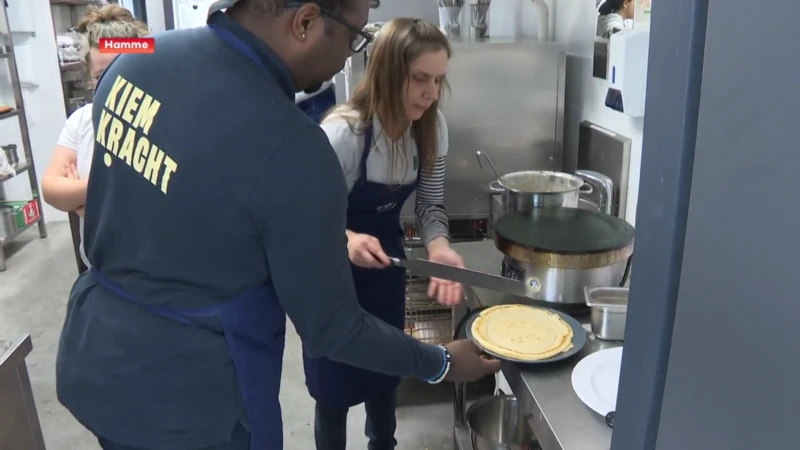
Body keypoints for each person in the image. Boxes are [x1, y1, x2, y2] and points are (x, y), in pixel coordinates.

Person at [54, 1, 501, 450]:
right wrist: (441, 362)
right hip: (201, 400)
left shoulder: (132, 62)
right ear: (305, 22)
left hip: (97, 361)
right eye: (353, 37)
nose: (351, 55)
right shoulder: (293, 146)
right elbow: (333, 328)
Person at [304, 18, 463, 450]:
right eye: (420, 79)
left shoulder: (431, 128)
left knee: (384, 378)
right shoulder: (344, 134)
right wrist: (345, 238)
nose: (432, 94)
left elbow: (430, 205)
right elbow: (302, 218)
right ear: (390, 73)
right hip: (331, 284)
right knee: (333, 393)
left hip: (385, 272)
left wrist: (439, 246)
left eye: (438, 80)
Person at [41, 4, 149, 269]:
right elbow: (52, 190)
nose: (112, 83)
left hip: (157, 274)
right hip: (99, 272)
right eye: (101, 76)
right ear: (90, 77)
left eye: (122, 71)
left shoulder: (164, 117)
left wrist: (85, 200)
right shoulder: (82, 121)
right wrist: (102, 194)